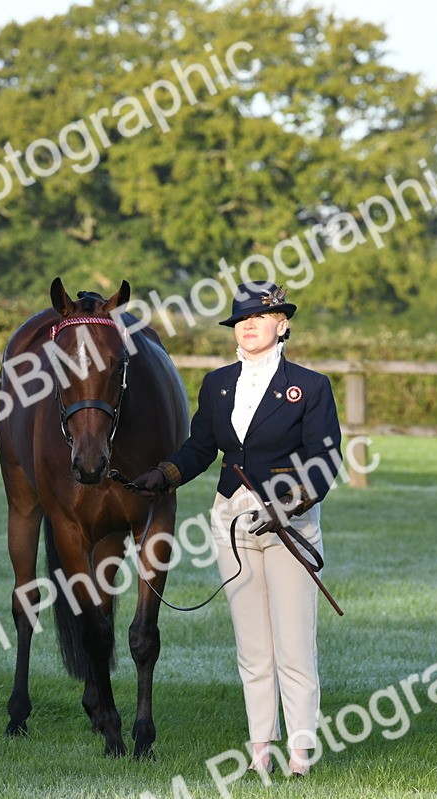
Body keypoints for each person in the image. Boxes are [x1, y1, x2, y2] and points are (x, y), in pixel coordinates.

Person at [132, 281, 342, 778]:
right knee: (251, 644)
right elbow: (201, 448)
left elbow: (324, 460)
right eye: (241, 319)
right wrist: (164, 475)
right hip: (230, 518)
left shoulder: (310, 387)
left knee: (293, 643)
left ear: (281, 324)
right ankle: (260, 747)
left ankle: (301, 753)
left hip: (288, 523)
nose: (249, 325)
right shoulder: (217, 383)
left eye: (260, 317)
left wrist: (287, 506)